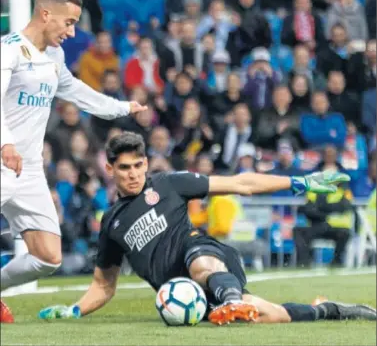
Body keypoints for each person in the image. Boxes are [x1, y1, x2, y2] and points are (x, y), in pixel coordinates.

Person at [38, 131, 376, 325]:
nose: (133, 173)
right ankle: (329, 309)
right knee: (270, 315)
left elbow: (241, 183)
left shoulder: (170, 184)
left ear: (146, 162)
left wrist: (299, 181)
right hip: (187, 298)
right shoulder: (111, 222)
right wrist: (74, 309)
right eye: (124, 167)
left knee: (199, 261)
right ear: (110, 168)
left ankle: (232, 299)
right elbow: (103, 285)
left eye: (139, 165)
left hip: (208, 257)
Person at [0, 0, 147, 322]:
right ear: (45, 13)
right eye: (68, 22)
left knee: (48, 256)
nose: (72, 31)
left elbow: (76, 92)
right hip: (2, 158)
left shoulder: (54, 57)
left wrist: (120, 107)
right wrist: (5, 143)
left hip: (29, 168)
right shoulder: (8, 50)